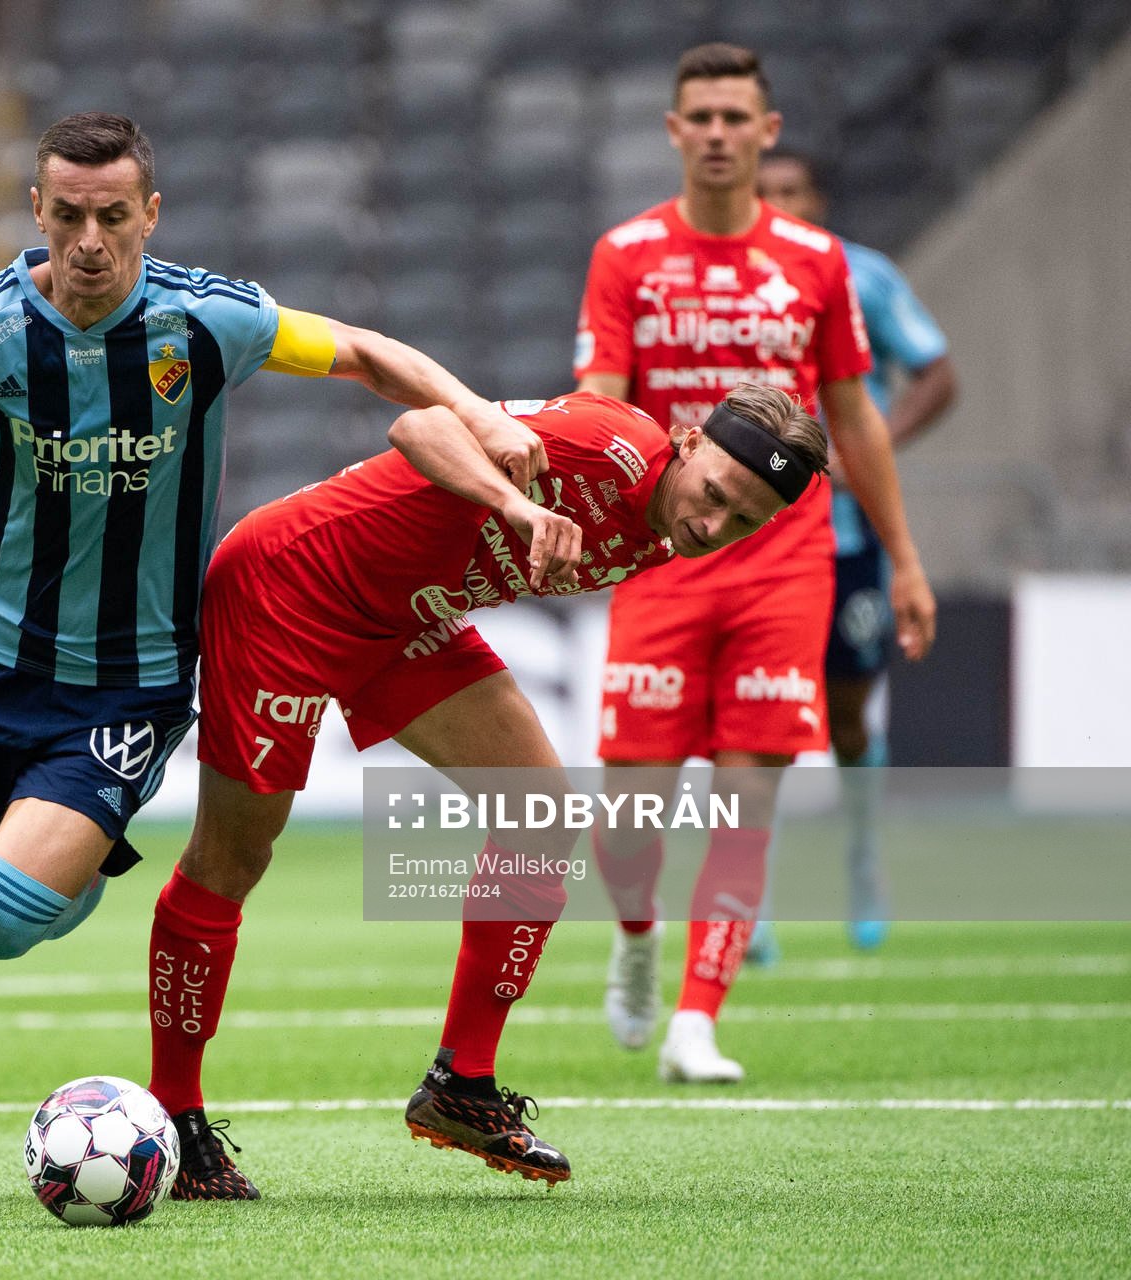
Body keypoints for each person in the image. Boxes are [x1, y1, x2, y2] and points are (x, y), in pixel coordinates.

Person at [0, 111, 546, 1204]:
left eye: (113, 215)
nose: (92, 239)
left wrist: (475, 409)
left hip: (126, 681)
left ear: (150, 213)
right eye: (70, 215)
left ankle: (76, 864)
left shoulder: (207, 319)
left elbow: (369, 354)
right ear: (38, 212)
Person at [147, 384, 830, 1194]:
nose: (713, 525)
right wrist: (514, 501)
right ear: (686, 443)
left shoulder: (666, 537)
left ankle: (461, 1086)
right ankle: (176, 1117)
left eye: (743, 521)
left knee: (542, 816)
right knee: (233, 857)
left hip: (407, 620)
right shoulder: (601, 443)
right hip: (292, 589)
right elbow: (420, 423)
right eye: (714, 493)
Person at [571, 43, 937, 1084]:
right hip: (665, 555)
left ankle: (699, 1017)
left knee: (747, 796)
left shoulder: (817, 262)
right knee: (630, 819)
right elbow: (602, 405)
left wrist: (903, 557)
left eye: (740, 115)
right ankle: (638, 934)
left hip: (788, 559)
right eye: (704, 116)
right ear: (676, 130)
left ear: (766, 130)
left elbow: (855, 418)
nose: (722, 132)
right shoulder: (627, 253)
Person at [755, 146, 958, 953]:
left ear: (821, 199)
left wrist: (874, 447)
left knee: (843, 719)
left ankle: (864, 863)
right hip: (756, 539)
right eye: (766, 194)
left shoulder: (861, 277)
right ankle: (749, 900)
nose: (780, 206)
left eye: (793, 192)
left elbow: (937, 372)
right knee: (759, 720)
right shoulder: (723, 287)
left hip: (847, 541)